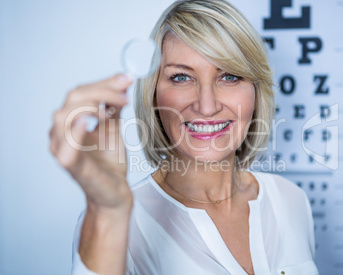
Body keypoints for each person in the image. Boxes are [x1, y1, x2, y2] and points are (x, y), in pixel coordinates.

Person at [49, 0, 319, 274]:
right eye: (181, 77)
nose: (206, 105)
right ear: (153, 94)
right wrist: (109, 212)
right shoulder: (113, 223)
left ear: (255, 93)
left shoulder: (291, 200)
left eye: (230, 76)